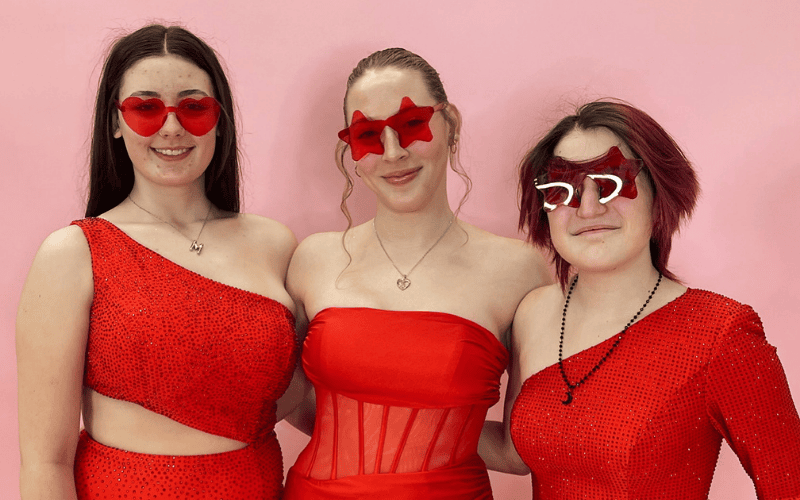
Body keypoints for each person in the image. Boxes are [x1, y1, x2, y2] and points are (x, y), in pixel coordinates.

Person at [16, 24, 299, 499]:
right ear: (115, 121)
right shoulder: (73, 254)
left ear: (219, 119)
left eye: (193, 107)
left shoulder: (276, 243)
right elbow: (46, 462)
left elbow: (307, 397)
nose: (172, 126)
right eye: (146, 108)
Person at [479, 100, 800, 499]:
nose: (589, 207)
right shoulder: (532, 312)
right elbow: (515, 454)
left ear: (659, 194)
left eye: (612, 181)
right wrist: (407, 409)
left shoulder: (720, 332)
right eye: (565, 188)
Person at [282, 48, 550, 499]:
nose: (393, 152)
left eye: (411, 125)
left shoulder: (522, 270)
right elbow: (289, 398)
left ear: (452, 125)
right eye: (368, 135)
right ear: (351, 150)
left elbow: (517, 451)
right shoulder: (312, 258)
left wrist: (433, 438)